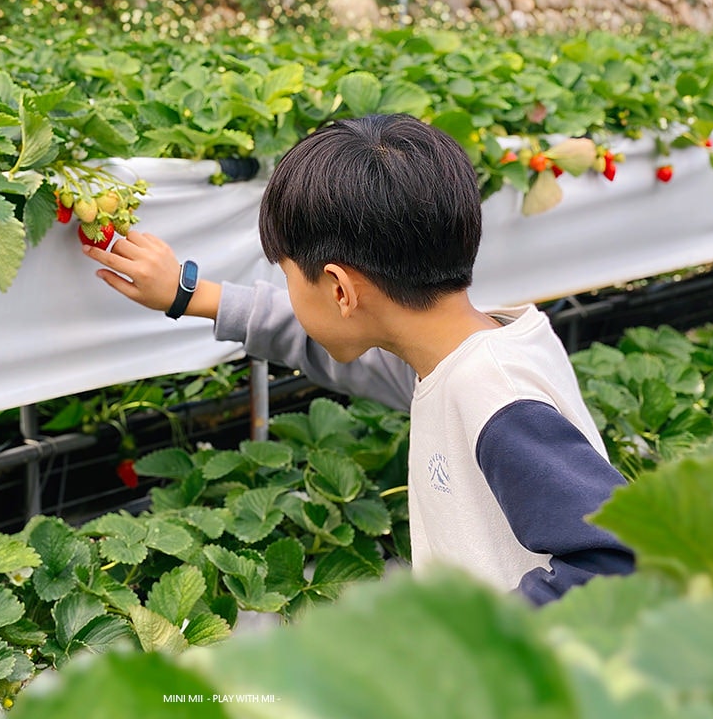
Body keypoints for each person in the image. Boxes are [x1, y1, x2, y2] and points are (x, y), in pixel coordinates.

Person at [82, 113, 634, 605]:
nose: (288, 290)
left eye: (289, 276)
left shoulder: (494, 398)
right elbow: (344, 353)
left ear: (341, 291)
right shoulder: (467, 348)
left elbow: (619, 563)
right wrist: (190, 294)